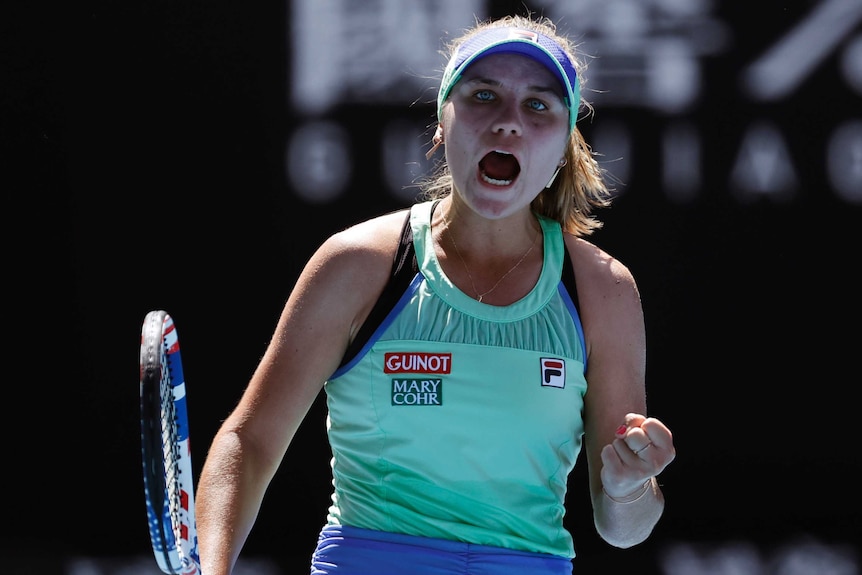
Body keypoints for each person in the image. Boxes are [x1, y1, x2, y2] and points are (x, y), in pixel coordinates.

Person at [196, 13, 676, 575]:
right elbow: (249, 441)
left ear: (565, 149)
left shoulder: (604, 290)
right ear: (441, 125)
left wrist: (627, 486)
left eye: (538, 105)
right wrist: (213, 567)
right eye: (483, 95)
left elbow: (624, 530)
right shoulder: (357, 265)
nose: (508, 123)